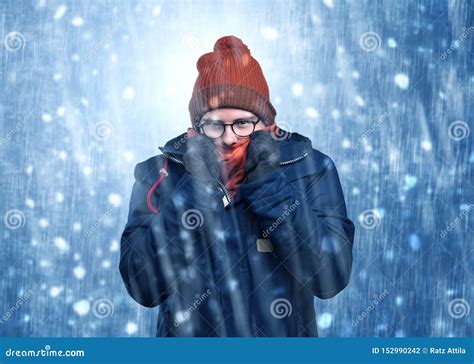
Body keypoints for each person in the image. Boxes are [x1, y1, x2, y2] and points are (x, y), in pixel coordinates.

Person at [119, 35, 355, 337]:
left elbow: (331, 277)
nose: (229, 138)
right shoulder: (157, 176)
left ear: (268, 127)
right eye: (215, 124)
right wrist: (196, 193)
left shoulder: (311, 169)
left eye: (243, 123)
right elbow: (143, 287)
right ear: (195, 131)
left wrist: (271, 187)